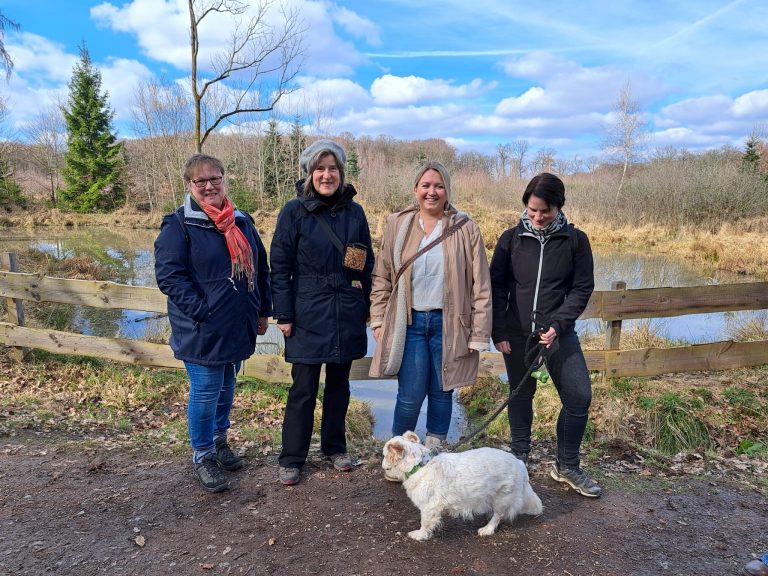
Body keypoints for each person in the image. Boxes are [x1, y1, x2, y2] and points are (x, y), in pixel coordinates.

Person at [154, 153, 271, 493]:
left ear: (224, 179)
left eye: (214, 178)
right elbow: (170, 277)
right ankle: (202, 454)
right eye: (200, 181)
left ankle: (219, 440)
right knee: (205, 391)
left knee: (226, 386)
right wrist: (202, 311)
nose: (208, 186)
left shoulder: (242, 221)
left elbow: (260, 269)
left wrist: (263, 310)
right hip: (202, 328)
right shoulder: (178, 224)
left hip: (238, 323)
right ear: (189, 185)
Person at [489, 172, 601, 497]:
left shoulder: (576, 242)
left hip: (558, 334)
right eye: (532, 209)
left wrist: (558, 324)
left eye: (545, 211)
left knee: (579, 397)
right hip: (516, 333)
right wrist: (498, 329)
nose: (537, 217)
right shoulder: (510, 239)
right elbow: (496, 286)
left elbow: (582, 289)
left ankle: (566, 466)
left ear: (559, 207)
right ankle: (519, 460)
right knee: (520, 395)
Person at [270, 139, 374, 486]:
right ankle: (292, 457)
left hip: (346, 307)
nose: (326, 175)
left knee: (340, 386)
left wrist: (367, 305)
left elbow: (363, 263)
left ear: (341, 172)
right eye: (320, 169)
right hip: (307, 310)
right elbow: (280, 265)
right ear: (309, 173)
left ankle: (335, 447)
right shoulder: (293, 212)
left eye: (333, 168)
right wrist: (283, 314)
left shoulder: (354, 213)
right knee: (303, 388)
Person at [369, 160, 492, 449]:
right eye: (425, 185)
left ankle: (435, 453)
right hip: (408, 324)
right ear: (415, 189)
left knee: (442, 392)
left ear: (447, 190)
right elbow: (382, 276)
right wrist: (377, 320)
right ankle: (399, 453)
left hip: (450, 324)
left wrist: (479, 333)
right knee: (409, 395)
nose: (432, 192)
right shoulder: (398, 225)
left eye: (438, 186)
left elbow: (481, 285)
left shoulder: (465, 227)